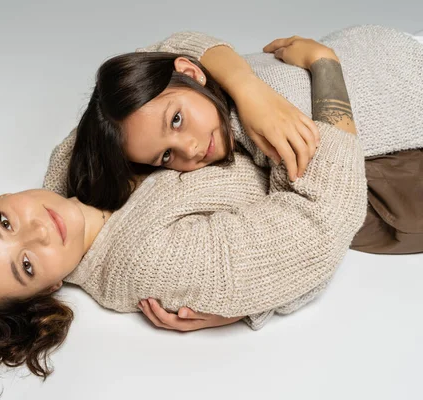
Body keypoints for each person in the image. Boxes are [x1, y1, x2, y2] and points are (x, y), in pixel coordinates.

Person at [0, 27, 421, 397]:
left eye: (4, 223)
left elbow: (174, 49)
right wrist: (324, 66)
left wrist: (248, 90)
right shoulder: (146, 261)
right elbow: (325, 219)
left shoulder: (73, 170)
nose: (36, 231)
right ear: (43, 294)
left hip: (383, 66)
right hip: (396, 147)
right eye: (26, 267)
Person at [44, 25, 423, 256]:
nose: (189, 149)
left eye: (177, 120)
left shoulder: (266, 127)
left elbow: (324, 223)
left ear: (190, 71)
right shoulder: (195, 88)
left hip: (393, 63)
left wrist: (320, 64)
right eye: (165, 156)